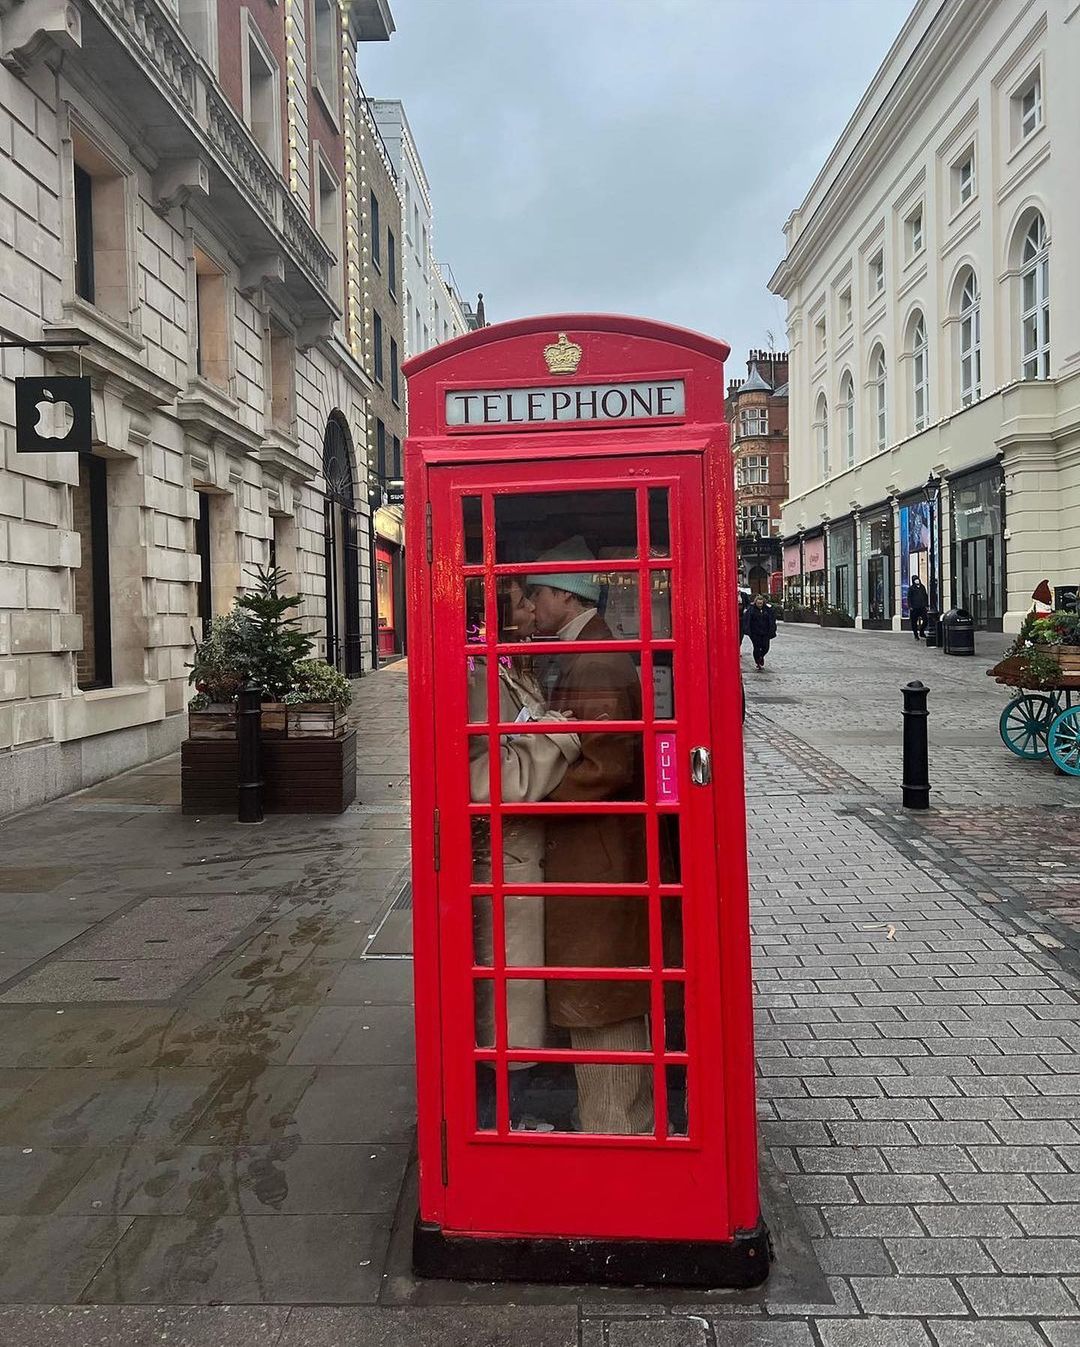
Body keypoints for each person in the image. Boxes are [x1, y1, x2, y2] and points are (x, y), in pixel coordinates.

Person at [526, 536, 652, 1136]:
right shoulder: (581, 651)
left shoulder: (595, 659)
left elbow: (606, 763)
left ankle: (616, 1135)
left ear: (561, 596)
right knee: (599, 991)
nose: (528, 607)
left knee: (602, 991)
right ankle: (609, 1124)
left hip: (597, 851)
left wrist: (525, 797)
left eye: (535, 596)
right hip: (595, 847)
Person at [467, 579, 581, 1117]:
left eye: (532, 597)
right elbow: (485, 778)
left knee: (526, 995)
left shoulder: (513, 670)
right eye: (520, 600)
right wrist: (562, 735)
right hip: (504, 862)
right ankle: (508, 1109)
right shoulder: (480, 677)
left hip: (528, 857)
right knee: (510, 1004)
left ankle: (522, 1101)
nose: (532, 607)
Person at [742, 593, 777, 670]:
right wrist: (747, 630)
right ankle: (757, 661)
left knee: (766, 647)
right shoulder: (751, 609)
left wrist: (772, 629)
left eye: (761, 603)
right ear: (755, 602)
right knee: (757, 647)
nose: (760, 605)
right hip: (755, 632)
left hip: (765, 632)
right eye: (758, 603)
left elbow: (772, 620)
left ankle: (761, 656)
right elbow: (746, 620)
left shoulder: (768, 609)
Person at [908, 574, 929, 640]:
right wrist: (910, 606)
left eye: (917, 579)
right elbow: (909, 598)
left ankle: (921, 631)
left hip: (922, 607)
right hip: (914, 608)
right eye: (915, 579)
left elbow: (925, 596)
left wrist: (926, 605)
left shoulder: (922, 587)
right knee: (914, 622)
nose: (917, 580)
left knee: (925, 620)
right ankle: (916, 635)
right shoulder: (911, 588)